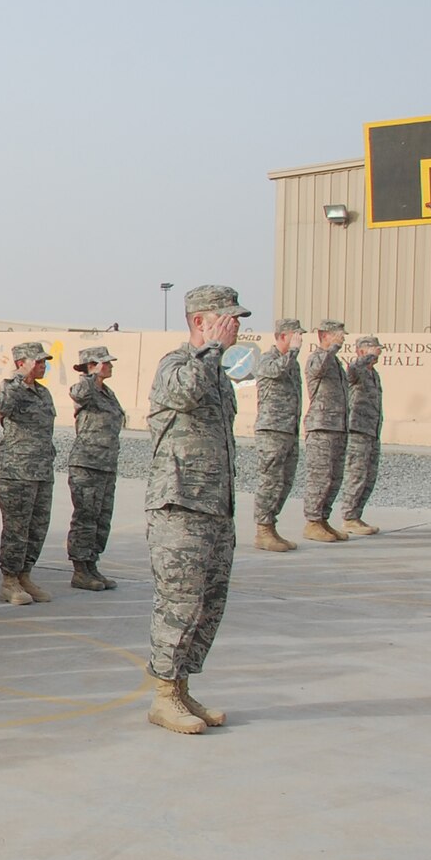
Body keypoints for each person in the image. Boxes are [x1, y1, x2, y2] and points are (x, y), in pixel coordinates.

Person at [145, 284, 247, 734]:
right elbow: (185, 393)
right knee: (179, 604)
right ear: (199, 321)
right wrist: (210, 350)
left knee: (208, 604)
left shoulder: (217, 373)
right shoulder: (177, 365)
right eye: (226, 317)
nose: (236, 325)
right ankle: (163, 695)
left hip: (214, 506)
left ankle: (182, 688)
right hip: (179, 505)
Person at [0, 341, 57, 605]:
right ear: (21, 363)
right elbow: (1, 405)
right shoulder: (11, 388)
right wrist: (18, 378)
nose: (43, 365)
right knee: (16, 529)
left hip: (41, 470)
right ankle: (10, 580)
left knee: (37, 527)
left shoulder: (44, 394)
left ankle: (25, 575)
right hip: (16, 471)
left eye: (44, 361)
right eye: (38, 361)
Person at [66, 344, 125, 590]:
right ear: (92, 366)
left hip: (106, 465)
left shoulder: (107, 394)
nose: (110, 366)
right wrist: (89, 375)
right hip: (87, 463)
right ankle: (80, 569)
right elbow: (77, 393)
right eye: (105, 362)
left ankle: (92, 564)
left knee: (102, 518)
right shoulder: (86, 389)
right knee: (86, 517)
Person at [251, 318, 304, 551]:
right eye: (295, 335)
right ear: (283, 336)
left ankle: (271, 525)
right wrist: (292, 352)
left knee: (285, 480)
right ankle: (262, 529)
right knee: (270, 480)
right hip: (272, 430)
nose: (300, 339)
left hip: (288, 429)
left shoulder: (292, 363)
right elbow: (277, 371)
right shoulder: (268, 359)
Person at [301, 320, 350, 542]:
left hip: (337, 426)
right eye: (337, 335)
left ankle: (322, 519)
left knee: (334, 477)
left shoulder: (335, 362)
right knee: (319, 477)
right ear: (323, 335)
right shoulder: (318, 357)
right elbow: (318, 368)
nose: (342, 338)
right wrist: (331, 347)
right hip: (321, 426)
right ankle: (312, 522)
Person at [341, 335, 385, 535]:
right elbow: (352, 370)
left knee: (369, 476)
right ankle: (349, 516)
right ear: (360, 351)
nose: (378, 352)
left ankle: (356, 515)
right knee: (356, 475)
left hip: (372, 431)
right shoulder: (357, 370)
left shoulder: (373, 374)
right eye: (373, 349)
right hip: (358, 431)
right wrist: (366, 357)